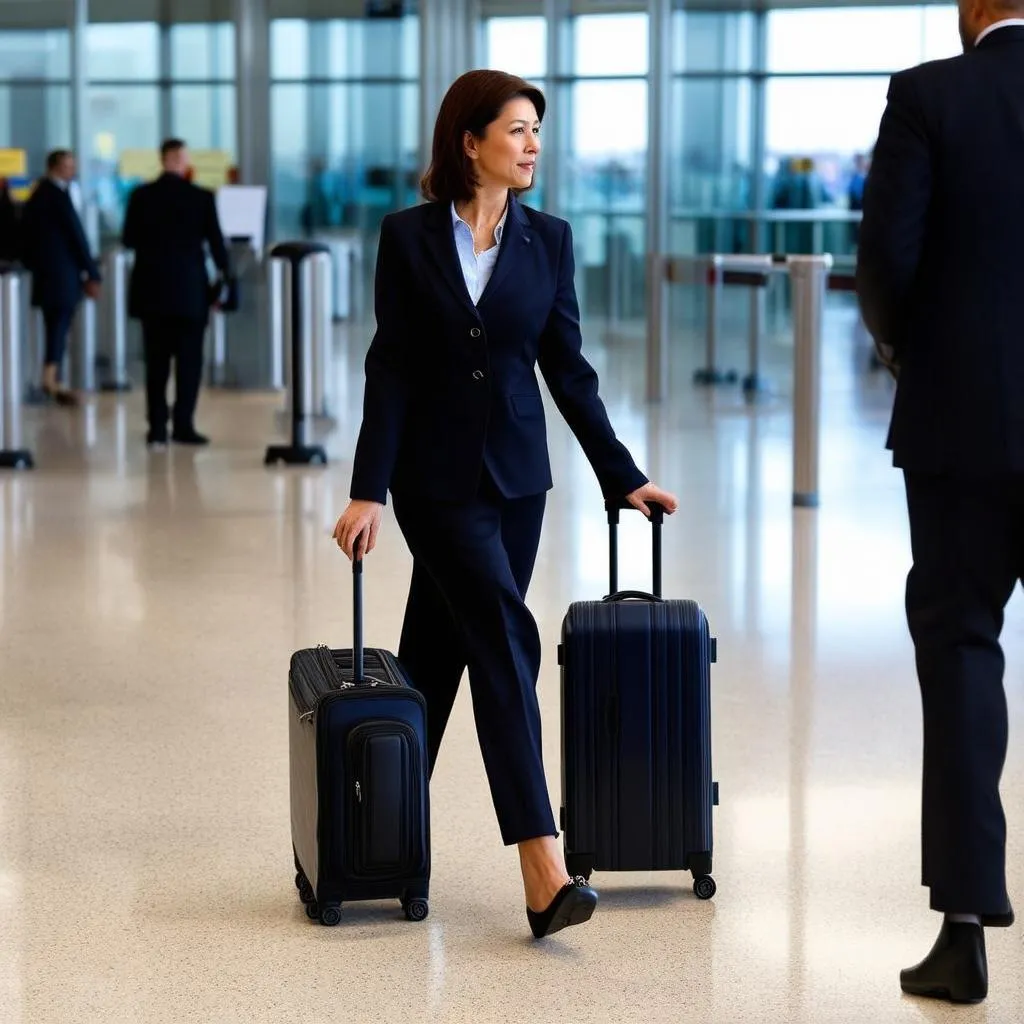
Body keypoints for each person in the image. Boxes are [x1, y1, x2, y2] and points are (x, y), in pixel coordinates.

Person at [332, 70, 679, 940]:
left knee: (440, 652)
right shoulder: (407, 238)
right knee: (505, 636)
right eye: (518, 130)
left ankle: (374, 841)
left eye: (536, 132)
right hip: (435, 484)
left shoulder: (549, 241)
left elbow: (568, 368)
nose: (532, 147)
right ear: (470, 141)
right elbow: (393, 366)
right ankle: (542, 865)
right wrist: (369, 487)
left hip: (519, 483)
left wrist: (621, 473)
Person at [856, 0, 1024, 1005]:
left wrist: (914, 356)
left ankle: (962, 932)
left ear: (973, 8)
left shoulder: (928, 95)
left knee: (961, 650)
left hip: (960, 431)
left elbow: (886, 263)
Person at [122, 138, 230, 448]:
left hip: (151, 292)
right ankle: (184, 425)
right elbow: (216, 245)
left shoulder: (140, 196)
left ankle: (157, 428)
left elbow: (129, 239)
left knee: (156, 364)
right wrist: (226, 278)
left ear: (161, 159)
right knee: (189, 363)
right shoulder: (200, 197)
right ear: (180, 160)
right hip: (190, 293)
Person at [20, 150, 101, 407]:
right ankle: (50, 379)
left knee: (55, 323)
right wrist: (92, 271)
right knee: (59, 323)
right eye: (66, 166)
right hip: (60, 272)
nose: (71, 170)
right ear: (53, 167)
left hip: (48, 271)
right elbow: (76, 235)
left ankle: (51, 376)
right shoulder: (56, 195)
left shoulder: (39, 194)